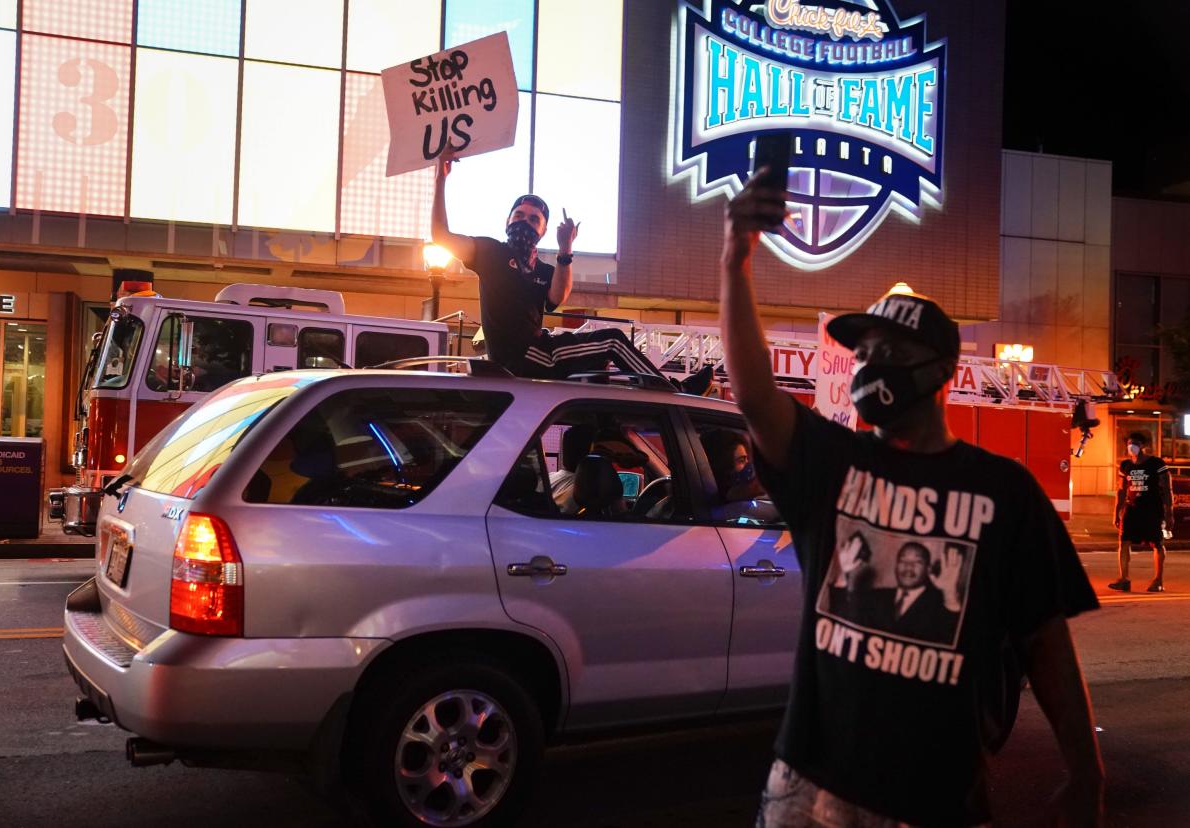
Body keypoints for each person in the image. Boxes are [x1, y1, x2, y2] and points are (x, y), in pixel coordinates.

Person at [721, 170, 1104, 826]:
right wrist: (735, 260)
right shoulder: (833, 463)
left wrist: (1086, 771)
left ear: (938, 370)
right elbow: (756, 396)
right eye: (863, 352)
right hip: (808, 790)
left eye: (889, 350)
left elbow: (1045, 641)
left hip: (936, 800)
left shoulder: (1004, 493)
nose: (870, 364)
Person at [431, 151, 713, 394]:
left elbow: (557, 297)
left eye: (533, 219)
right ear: (507, 221)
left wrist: (565, 247)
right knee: (612, 340)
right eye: (519, 215)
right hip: (522, 357)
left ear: (542, 231)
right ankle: (675, 392)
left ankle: (599, 434)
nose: (524, 222)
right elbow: (441, 235)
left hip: (540, 350)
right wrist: (441, 180)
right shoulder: (490, 252)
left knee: (596, 367)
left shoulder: (543, 269)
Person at [1109, 430, 1174, 592]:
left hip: (1152, 509)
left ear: (1143, 446)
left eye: (1136, 444)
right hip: (1132, 510)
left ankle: (1158, 581)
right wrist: (1117, 512)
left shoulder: (1156, 463)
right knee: (1123, 542)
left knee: (1157, 544)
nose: (1132, 447)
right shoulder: (1125, 465)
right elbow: (1121, 490)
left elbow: (1167, 489)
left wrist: (1169, 513)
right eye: (1130, 443)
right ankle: (1124, 579)